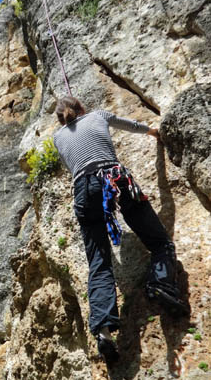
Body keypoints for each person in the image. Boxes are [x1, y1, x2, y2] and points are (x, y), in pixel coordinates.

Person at [53, 96, 187, 363]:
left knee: (99, 264)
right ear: (82, 108)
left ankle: (103, 332)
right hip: (114, 178)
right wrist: (153, 132)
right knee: (160, 242)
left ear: (60, 118)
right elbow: (133, 125)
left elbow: (73, 167)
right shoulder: (98, 115)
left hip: (83, 190)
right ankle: (161, 283)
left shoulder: (58, 138)